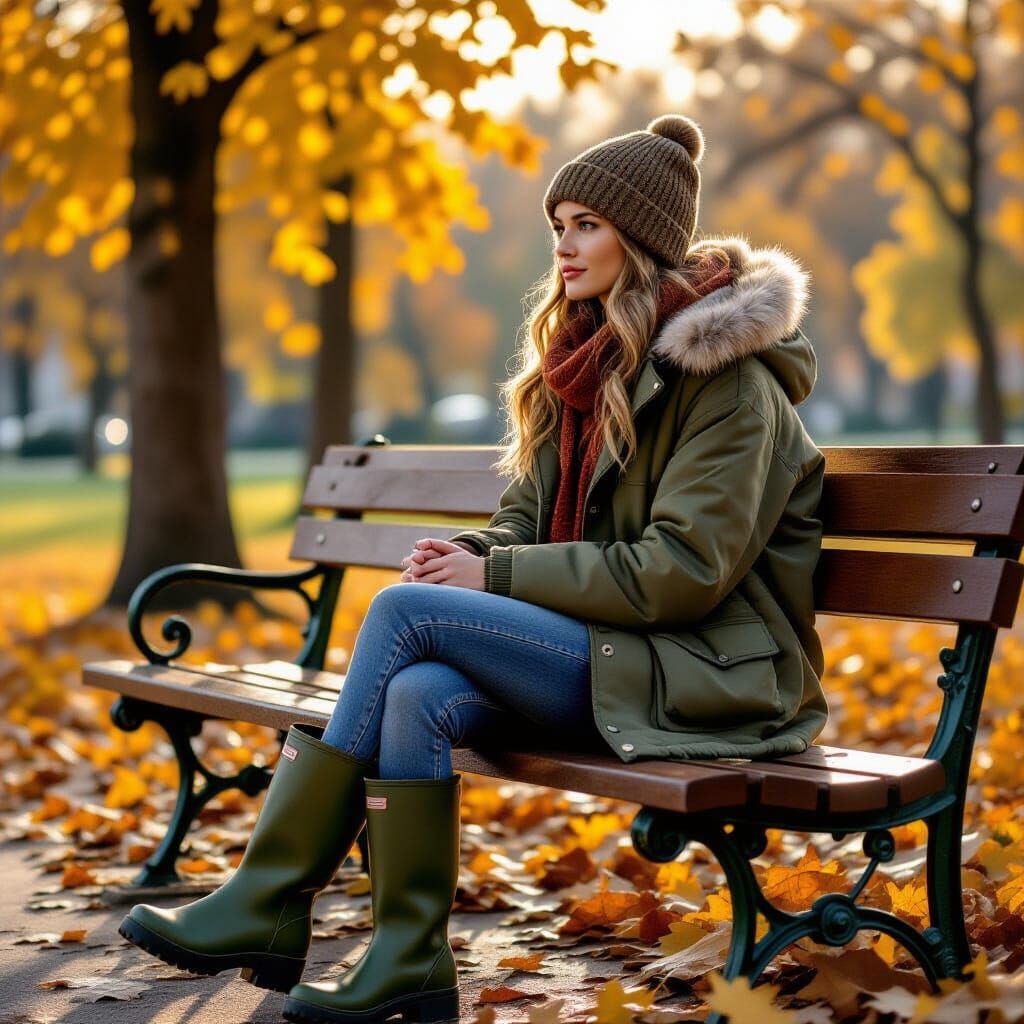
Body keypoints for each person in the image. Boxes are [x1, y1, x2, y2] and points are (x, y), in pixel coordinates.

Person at [118, 113, 829, 1024]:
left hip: (708, 673)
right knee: (418, 694)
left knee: (402, 616)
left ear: (641, 240)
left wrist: (491, 582)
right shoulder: (579, 363)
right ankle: (407, 957)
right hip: (611, 651)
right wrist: (474, 555)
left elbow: (680, 572)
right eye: (559, 226)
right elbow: (525, 522)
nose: (565, 248)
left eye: (587, 226)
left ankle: (269, 897)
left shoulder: (731, 385)